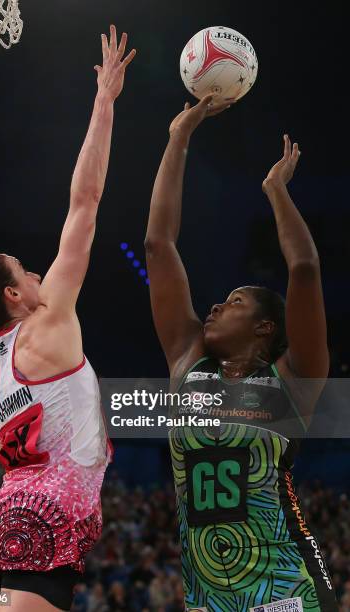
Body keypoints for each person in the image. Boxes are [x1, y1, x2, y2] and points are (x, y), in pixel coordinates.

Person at [0, 25, 135, 612]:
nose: (36, 276)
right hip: (44, 520)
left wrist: (9, 452)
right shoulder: (50, 318)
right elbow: (86, 200)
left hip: (7, 519)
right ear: (14, 295)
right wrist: (104, 103)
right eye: (25, 270)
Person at [145, 96, 338, 611]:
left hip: (284, 585)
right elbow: (158, 245)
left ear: (265, 326)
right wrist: (178, 137)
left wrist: (275, 190)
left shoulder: (294, 379)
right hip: (206, 595)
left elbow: (305, 270)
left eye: (234, 303)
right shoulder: (188, 363)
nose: (214, 305)